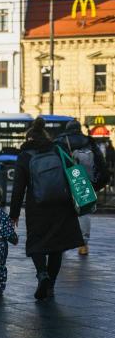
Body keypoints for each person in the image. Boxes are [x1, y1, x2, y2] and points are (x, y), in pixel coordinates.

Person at [9, 118, 84, 300]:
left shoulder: (24, 156)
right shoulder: (58, 149)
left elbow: (18, 187)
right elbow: (72, 172)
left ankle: (42, 274)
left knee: (37, 244)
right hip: (62, 204)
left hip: (37, 207)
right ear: (45, 135)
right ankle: (50, 286)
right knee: (56, 247)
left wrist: (14, 214)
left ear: (29, 138)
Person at [53, 120, 109, 256]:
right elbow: (100, 162)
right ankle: (83, 245)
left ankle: (61, 243)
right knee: (83, 211)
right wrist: (99, 183)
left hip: (64, 181)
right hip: (83, 180)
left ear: (67, 128)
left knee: (62, 212)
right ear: (79, 129)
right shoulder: (88, 141)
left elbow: (53, 161)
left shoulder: (59, 141)